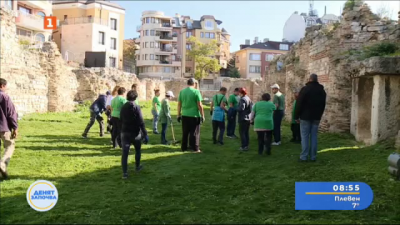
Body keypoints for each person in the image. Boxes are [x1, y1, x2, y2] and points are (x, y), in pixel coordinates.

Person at [295, 74, 327, 162]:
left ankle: (304, 156)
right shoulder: (322, 91)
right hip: (316, 117)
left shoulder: (305, 89)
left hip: (305, 117)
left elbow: (299, 103)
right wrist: (320, 115)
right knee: (314, 136)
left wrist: (296, 116)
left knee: (305, 137)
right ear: (316, 80)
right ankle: (313, 156)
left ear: (309, 79)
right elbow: (323, 104)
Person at [120, 90, 149, 179]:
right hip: (135, 132)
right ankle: (137, 166)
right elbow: (141, 121)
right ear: (135, 98)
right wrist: (145, 133)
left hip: (125, 132)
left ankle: (125, 173)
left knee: (125, 153)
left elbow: (120, 119)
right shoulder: (136, 107)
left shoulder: (123, 107)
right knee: (138, 150)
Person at [177, 78, 205, 153]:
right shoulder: (196, 91)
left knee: (185, 132)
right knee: (194, 132)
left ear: (187, 83)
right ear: (194, 84)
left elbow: (179, 104)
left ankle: (184, 147)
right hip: (194, 115)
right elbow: (199, 105)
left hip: (185, 114)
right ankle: (195, 148)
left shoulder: (182, 92)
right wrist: (202, 115)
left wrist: (178, 114)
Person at [0, 78, 18, 179]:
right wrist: (15, 127)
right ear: (2, 86)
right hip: (3, 126)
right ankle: (2, 164)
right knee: (10, 145)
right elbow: (11, 113)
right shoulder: (5, 97)